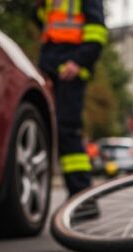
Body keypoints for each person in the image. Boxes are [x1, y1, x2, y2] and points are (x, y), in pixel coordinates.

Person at [34, 0, 107, 197]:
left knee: (67, 130)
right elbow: (45, 23)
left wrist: (78, 61)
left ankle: (82, 196)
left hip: (70, 70)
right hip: (49, 65)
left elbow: (97, 32)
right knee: (48, 127)